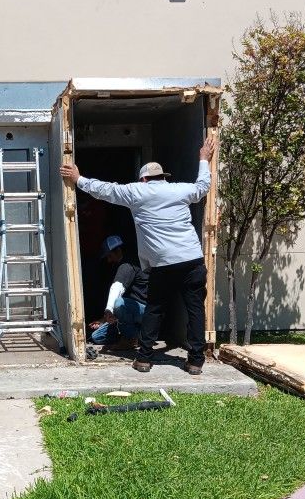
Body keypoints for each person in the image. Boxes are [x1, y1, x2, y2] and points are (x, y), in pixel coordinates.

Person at [60, 133, 216, 375]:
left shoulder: (136, 192)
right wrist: (204, 159)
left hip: (163, 264)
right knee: (195, 310)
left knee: (155, 308)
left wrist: (79, 179)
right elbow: (203, 186)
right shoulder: (180, 191)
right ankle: (195, 361)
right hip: (192, 260)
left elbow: (105, 190)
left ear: (143, 178)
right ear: (163, 177)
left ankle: (144, 359)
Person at [89, 235, 148, 351]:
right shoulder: (124, 264)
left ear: (119, 251)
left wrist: (108, 310)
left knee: (119, 303)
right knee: (97, 336)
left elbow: (117, 287)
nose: (109, 260)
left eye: (110, 256)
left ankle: (129, 339)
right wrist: (103, 320)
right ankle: (139, 336)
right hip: (129, 315)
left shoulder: (127, 265)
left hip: (143, 311)